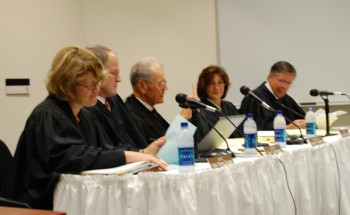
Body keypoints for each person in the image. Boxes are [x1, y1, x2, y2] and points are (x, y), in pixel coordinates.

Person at [1, 46, 167, 210]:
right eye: (91, 85)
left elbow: (104, 149)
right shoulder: (48, 115)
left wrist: (143, 154)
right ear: (68, 84)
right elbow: (73, 158)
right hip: (38, 206)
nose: (97, 90)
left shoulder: (84, 116)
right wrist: (129, 156)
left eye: (98, 83)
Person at [85, 45, 165, 154]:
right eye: (113, 73)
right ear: (96, 73)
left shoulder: (114, 100)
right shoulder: (86, 109)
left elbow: (137, 139)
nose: (119, 79)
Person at [239, 61, 306, 130]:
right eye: (282, 81)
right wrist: (287, 128)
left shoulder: (287, 99)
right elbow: (258, 128)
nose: (284, 86)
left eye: (288, 83)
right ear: (270, 77)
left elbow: (302, 118)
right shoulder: (254, 98)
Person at [125, 57, 170, 144]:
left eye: (165, 83)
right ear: (142, 86)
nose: (165, 88)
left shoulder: (150, 110)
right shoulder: (130, 116)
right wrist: (183, 118)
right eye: (160, 84)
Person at [192, 65, 242, 144]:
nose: (216, 87)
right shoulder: (200, 110)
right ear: (204, 86)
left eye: (220, 82)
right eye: (212, 83)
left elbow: (240, 134)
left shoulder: (229, 106)